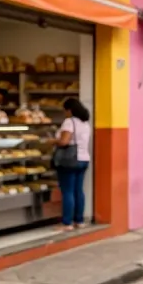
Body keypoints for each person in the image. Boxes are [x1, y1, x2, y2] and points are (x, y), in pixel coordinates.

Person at [53, 98, 91, 231]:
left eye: (65, 110)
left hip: (69, 160)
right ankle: (79, 220)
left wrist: (52, 141)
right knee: (78, 190)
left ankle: (67, 223)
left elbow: (64, 141)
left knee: (67, 191)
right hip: (83, 159)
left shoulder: (69, 122)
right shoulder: (85, 122)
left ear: (69, 110)